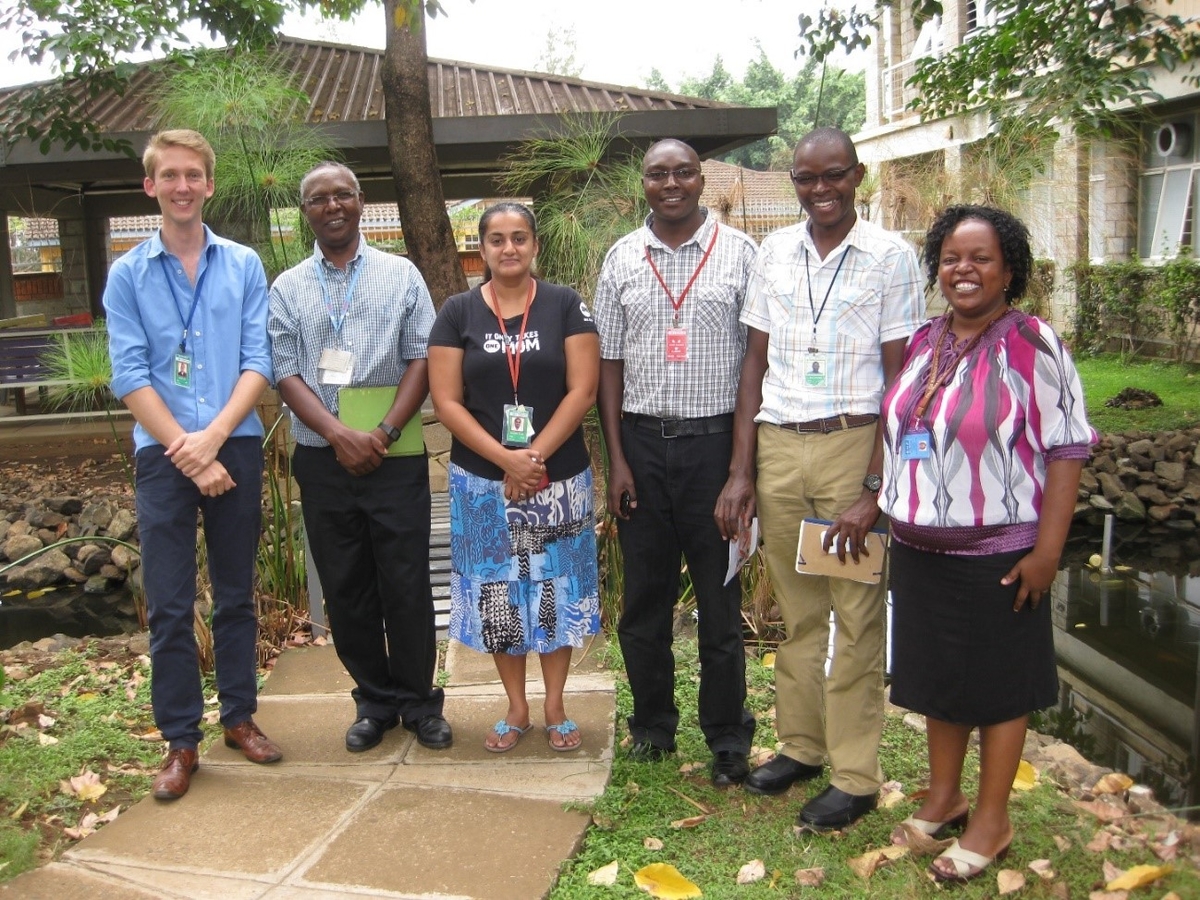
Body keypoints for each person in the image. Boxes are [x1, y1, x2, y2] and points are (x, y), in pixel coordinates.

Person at [715, 127, 924, 827]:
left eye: (834, 176)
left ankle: (857, 776)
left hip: (851, 441)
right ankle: (801, 748)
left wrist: (875, 486)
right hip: (779, 445)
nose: (821, 190)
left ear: (856, 175)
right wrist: (741, 471)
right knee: (799, 613)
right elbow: (754, 364)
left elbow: (903, 380)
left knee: (858, 618)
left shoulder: (891, 257)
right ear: (794, 182)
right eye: (807, 179)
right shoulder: (774, 252)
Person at [881, 205, 1095, 881]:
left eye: (980, 258)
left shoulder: (1034, 344)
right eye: (950, 258)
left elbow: (1067, 451)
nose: (963, 270)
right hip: (919, 548)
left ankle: (992, 819)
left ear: (1009, 270)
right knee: (940, 682)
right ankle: (943, 796)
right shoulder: (924, 341)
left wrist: (1048, 552)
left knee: (1000, 690)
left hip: (1001, 553)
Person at [104, 129, 281, 801]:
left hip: (232, 440)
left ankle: (239, 717)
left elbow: (257, 361)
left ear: (208, 184)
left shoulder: (241, 264)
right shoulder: (128, 274)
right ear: (150, 186)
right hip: (162, 450)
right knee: (172, 606)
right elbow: (129, 374)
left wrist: (214, 438)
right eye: (169, 175)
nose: (182, 186)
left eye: (193, 175)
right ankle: (181, 740)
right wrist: (187, 446)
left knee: (236, 594)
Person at [268, 161, 451, 754]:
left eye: (342, 194)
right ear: (307, 212)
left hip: (393, 453)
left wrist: (385, 427)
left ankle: (421, 703)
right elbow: (285, 371)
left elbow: (422, 357)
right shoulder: (288, 287)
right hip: (323, 459)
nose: (332, 206)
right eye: (318, 199)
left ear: (361, 201)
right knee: (346, 588)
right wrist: (339, 435)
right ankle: (373, 701)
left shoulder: (401, 276)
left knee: (405, 583)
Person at [594, 138, 758, 787]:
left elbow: (755, 361)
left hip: (715, 447)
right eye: (658, 174)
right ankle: (653, 727)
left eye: (682, 172)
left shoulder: (742, 255)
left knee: (720, 602)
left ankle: (725, 736)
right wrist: (617, 460)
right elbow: (609, 362)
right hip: (640, 443)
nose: (671, 183)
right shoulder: (621, 259)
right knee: (644, 602)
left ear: (701, 178)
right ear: (644, 184)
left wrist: (741, 471)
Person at [428, 202, 600, 752]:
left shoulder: (566, 305)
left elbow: (583, 390)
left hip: (558, 480)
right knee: (500, 594)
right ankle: (517, 706)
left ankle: (554, 705)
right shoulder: (457, 313)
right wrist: (506, 460)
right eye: (497, 239)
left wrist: (534, 456)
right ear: (482, 248)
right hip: (482, 483)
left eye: (520, 238)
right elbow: (446, 401)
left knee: (553, 590)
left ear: (535, 246)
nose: (509, 248)